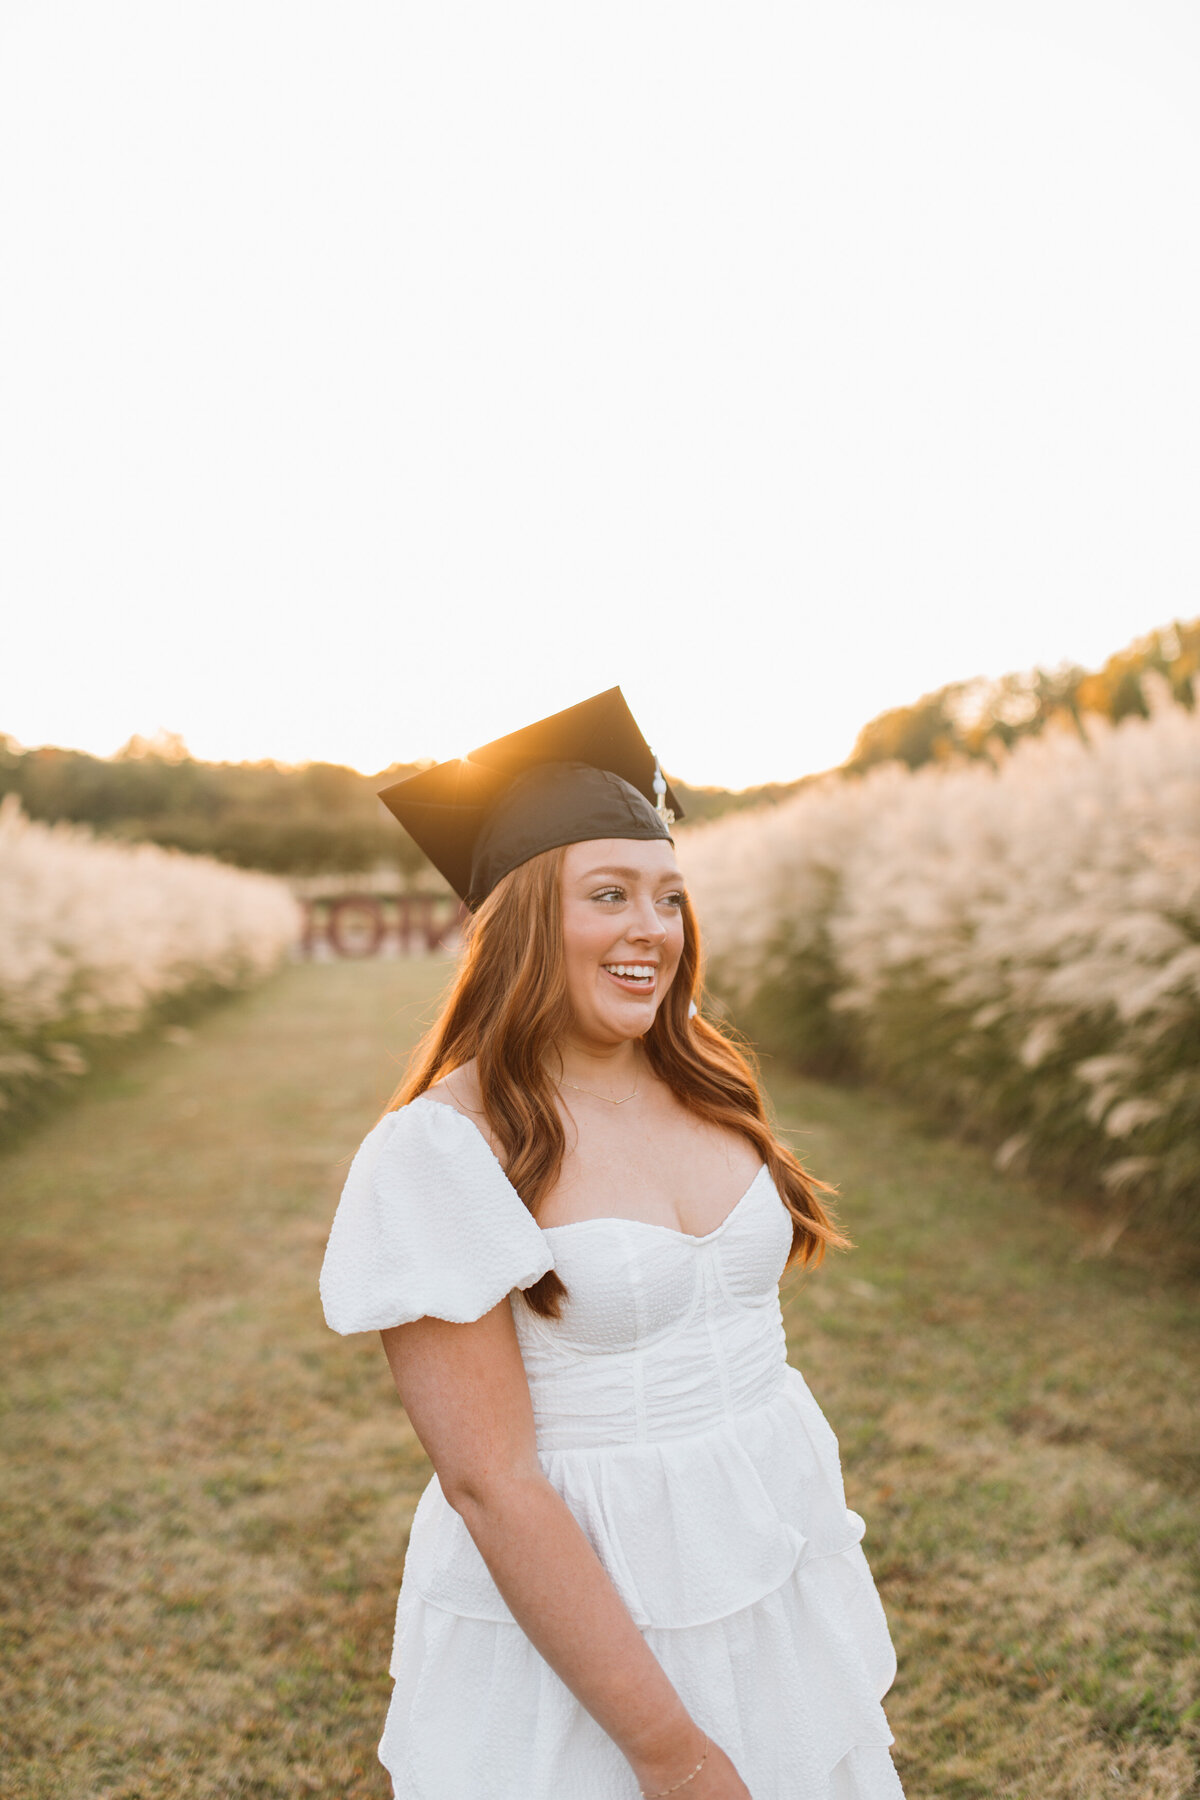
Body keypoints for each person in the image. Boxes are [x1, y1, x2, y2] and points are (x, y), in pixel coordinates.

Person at [320, 690, 905, 1800]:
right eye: (609, 895)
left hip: (765, 1547)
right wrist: (666, 1751)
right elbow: (490, 1482)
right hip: (593, 1607)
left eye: (670, 897)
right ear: (525, 919)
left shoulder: (707, 1082)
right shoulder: (443, 1153)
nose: (654, 928)